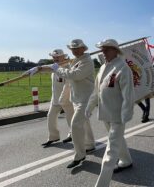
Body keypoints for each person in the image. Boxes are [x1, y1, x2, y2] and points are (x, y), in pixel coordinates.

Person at [85, 39, 134, 187]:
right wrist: (89, 107)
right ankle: (126, 160)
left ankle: (101, 184)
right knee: (118, 140)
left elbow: (128, 95)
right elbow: (96, 91)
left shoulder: (123, 68)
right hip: (106, 112)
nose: (103, 52)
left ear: (115, 50)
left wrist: (125, 115)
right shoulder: (102, 68)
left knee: (110, 150)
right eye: (102, 50)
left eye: (106, 49)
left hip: (118, 115)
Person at [45, 39, 96, 168]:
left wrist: (57, 69)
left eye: (77, 48)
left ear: (84, 49)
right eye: (72, 49)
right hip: (76, 97)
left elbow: (75, 75)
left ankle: (79, 155)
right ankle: (89, 145)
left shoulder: (87, 62)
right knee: (83, 123)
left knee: (75, 124)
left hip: (86, 99)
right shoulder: (76, 61)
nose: (74, 51)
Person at [40, 49, 73, 146]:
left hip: (67, 98)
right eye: (54, 57)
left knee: (70, 118)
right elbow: (44, 69)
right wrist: (36, 69)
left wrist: (64, 97)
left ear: (63, 57)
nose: (55, 59)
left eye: (58, 57)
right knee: (50, 116)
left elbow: (68, 84)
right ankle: (53, 137)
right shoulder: (53, 67)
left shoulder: (68, 67)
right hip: (55, 98)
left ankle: (72, 134)